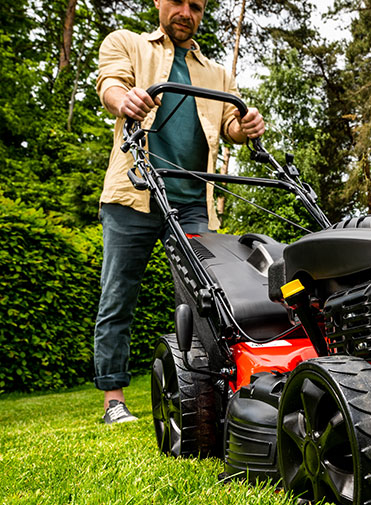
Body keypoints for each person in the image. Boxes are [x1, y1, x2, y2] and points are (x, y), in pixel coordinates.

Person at [93, 0, 265, 424]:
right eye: (178, 2)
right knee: (118, 295)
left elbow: (229, 125)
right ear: (158, 2)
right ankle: (113, 399)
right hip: (133, 194)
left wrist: (245, 127)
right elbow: (110, 84)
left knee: (207, 298)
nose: (186, 12)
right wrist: (124, 99)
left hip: (191, 202)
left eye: (197, 6)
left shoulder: (217, 74)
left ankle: (210, 390)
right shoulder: (127, 43)